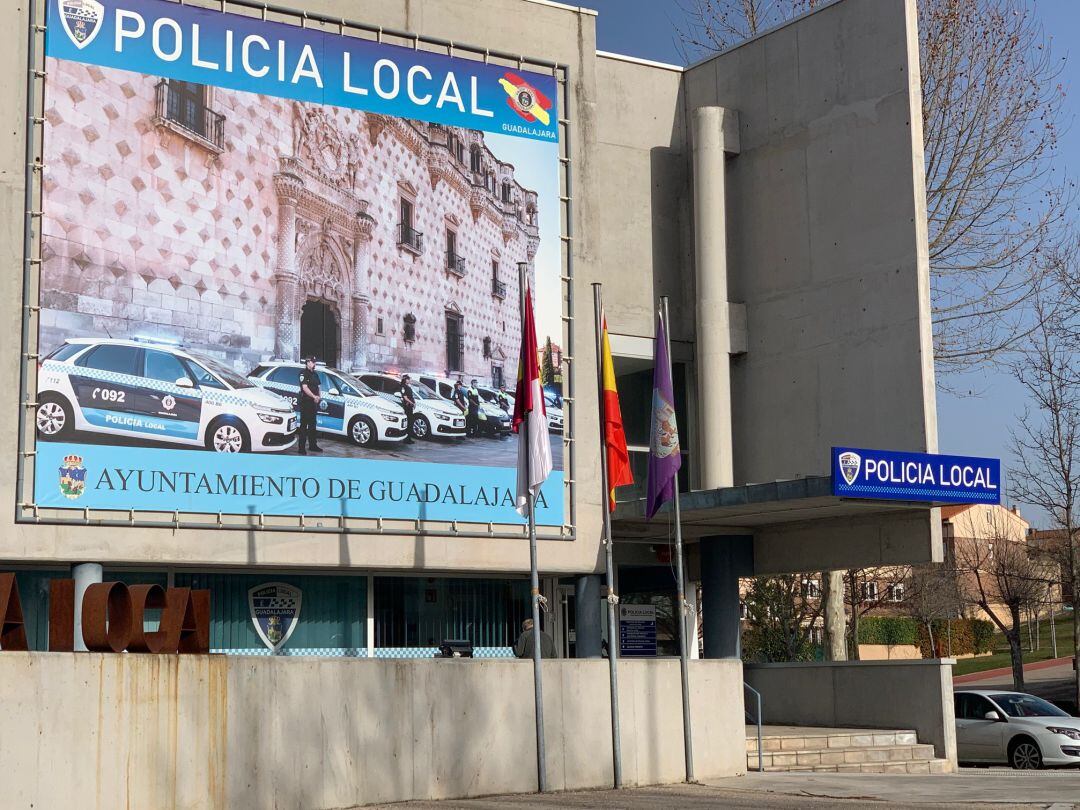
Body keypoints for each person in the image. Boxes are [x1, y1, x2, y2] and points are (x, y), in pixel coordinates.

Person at [297, 355, 322, 454]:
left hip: (314, 403)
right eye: (312, 362)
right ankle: (301, 448)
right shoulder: (303, 373)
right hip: (306, 402)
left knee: (313, 425)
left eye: (315, 362)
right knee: (304, 426)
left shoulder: (315, 374)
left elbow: (319, 387)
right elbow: (305, 388)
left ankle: (313, 445)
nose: (314, 364)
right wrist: (314, 396)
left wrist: (319, 397)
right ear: (307, 363)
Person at [399, 374, 416, 443]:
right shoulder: (403, 387)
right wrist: (412, 403)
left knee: (410, 422)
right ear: (405, 379)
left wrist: (413, 403)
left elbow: (410, 396)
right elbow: (405, 397)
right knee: (408, 422)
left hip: (410, 406)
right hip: (407, 407)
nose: (409, 380)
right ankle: (407, 439)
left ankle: (409, 438)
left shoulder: (408, 386)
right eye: (408, 379)